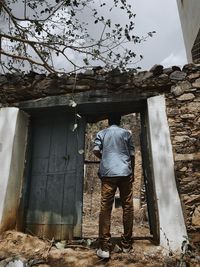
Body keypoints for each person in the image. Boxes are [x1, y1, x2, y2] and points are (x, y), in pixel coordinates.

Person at [93, 113, 135, 259]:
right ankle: (126, 245)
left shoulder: (102, 133)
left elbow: (96, 150)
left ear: (108, 122)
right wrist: (132, 172)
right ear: (119, 121)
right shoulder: (126, 133)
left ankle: (104, 247)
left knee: (105, 208)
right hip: (125, 173)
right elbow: (132, 155)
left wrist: (104, 158)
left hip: (108, 174)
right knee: (128, 207)